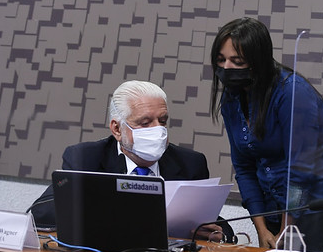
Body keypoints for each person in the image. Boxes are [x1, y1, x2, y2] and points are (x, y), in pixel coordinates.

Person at [209, 17, 323, 252]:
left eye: (237, 61)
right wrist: (261, 228)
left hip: (316, 209)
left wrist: (287, 228)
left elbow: (299, 170)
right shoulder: (231, 98)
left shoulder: (292, 92)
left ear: (257, 62)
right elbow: (243, 167)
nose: (227, 68)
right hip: (272, 207)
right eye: (221, 60)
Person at [30, 80, 227, 239]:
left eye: (163, 121)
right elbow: (42, 214)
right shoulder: (86, 158)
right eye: (145, 122)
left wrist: (221, 233)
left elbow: (212, 221)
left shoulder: (191, 164)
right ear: (117, 129)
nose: (158, 130)